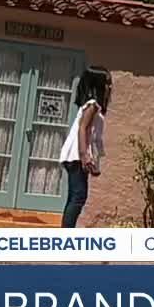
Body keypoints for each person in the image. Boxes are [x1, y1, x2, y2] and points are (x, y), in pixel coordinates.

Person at [58, 67, 111, 228]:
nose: (110, 86)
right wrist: (84, 156)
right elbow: (83, 128)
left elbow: (92, 135)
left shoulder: (92, 106)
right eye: (107, 82)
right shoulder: (92, 105)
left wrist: (95, 160)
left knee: (74, 197)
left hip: (75, 155)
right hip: (76, 156)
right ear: (99, 83)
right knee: (79, 197)